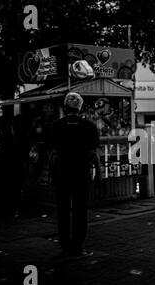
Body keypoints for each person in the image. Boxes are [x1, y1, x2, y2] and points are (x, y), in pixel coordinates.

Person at [50, 92, 101, 258]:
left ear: (65, 107)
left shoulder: (56, 126)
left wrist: (51, 175)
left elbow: (53, 154)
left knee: (63, 212)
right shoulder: (89, 126)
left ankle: (65, 246)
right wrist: (99, 173)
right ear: (80, 107)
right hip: (81, 174)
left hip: (61, 174)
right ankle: (77, 247)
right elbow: (93, 153)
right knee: (80, 212)